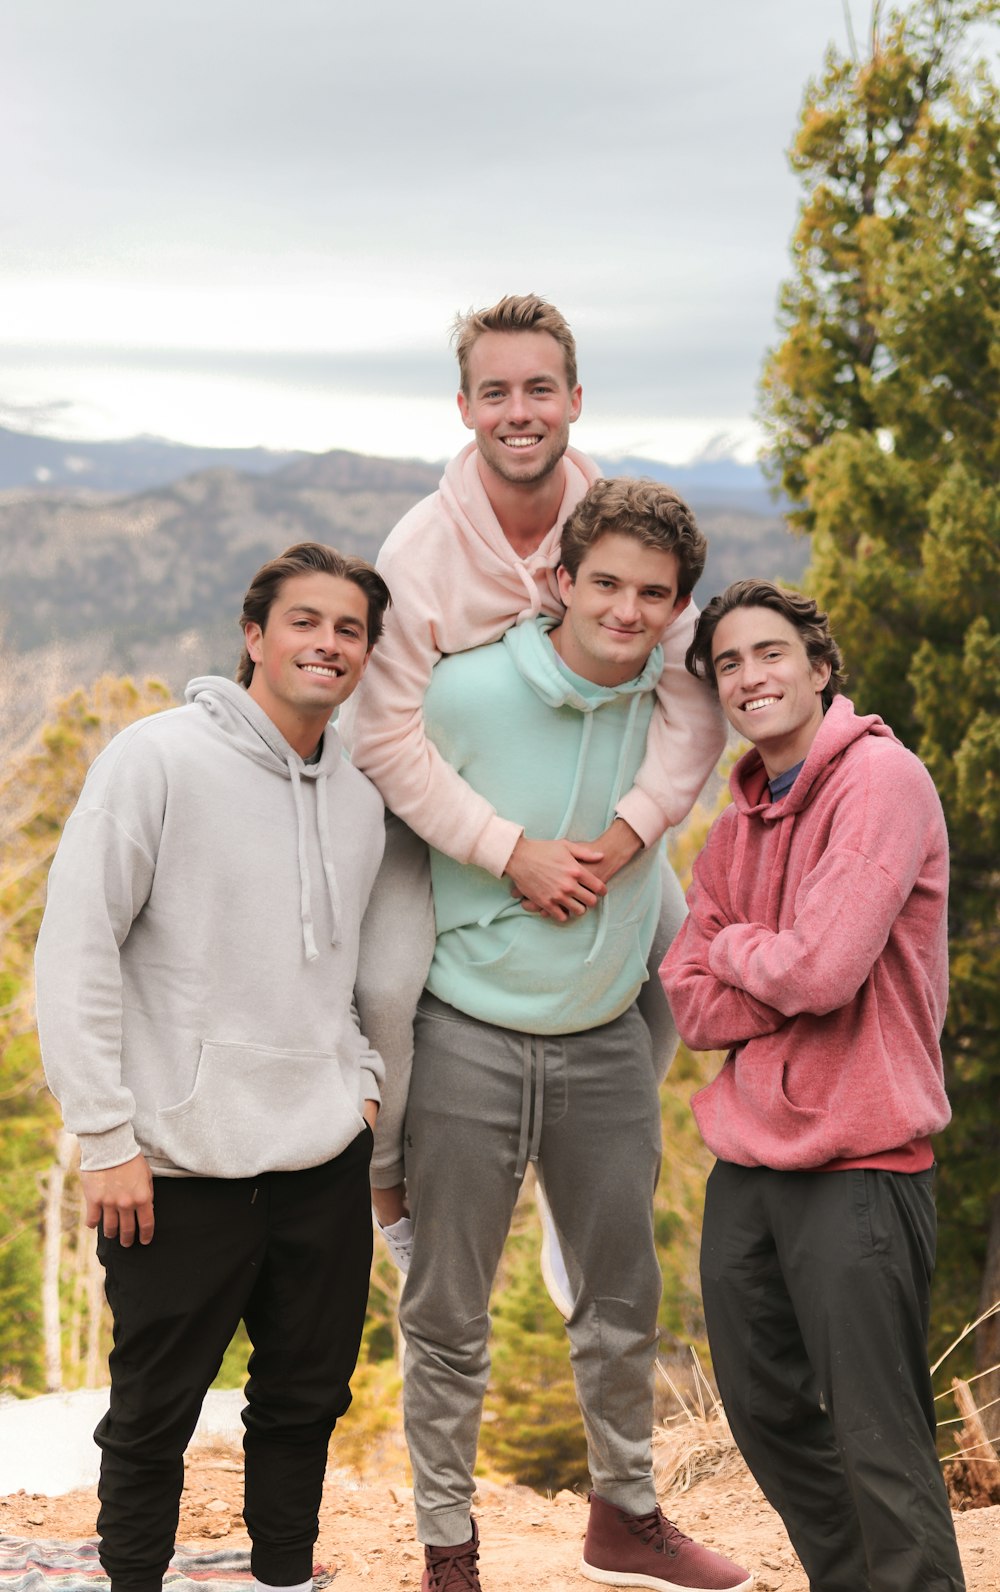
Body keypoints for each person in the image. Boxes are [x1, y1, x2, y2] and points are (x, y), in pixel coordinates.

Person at [398, 479, 753, 1592]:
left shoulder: (672, 703)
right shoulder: (461, 694)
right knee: (448, 1310)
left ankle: (626, 1515)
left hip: (603, 1035)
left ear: (676, 607)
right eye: (603, 582)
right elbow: (386, 800)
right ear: (559, 580)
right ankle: (448, 1548)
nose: (625, 608)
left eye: (652, 594)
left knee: (620, 1298)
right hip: (466, 1031)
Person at [340, 293, 725, 1276]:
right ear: (464, 406)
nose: (521, 410)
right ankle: (387, 1184)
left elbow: (691, 704)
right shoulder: (420, 552)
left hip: (593, 815)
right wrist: (508, 852)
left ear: (575, 399)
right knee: (385, 981)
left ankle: (581, 1178)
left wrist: (634, 829)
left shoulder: (620, 534)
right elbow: (384, 739)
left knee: (681, 964)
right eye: (497, 390)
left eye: (540, 388)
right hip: (428, 805)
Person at [34, 543, 392, 1592]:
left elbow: (349, 971)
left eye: (350, 628)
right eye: (305, 620)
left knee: (306, 1396)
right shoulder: (156, 759)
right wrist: (104, 1136)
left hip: (321, 1150)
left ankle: (284, 1576)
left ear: (366, 653)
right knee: (155, 1408)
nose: (327, 642)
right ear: (253, 636)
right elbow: (78, 947)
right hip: (174, 1163)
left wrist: (359, 1083)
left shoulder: (359, 801)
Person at [660, 579, 965, 1592]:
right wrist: (773, 963)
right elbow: (690, 1004)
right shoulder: (738, 823)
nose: (750, 675)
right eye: (729, 663)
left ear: (818, 665)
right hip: (747, 1163)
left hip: (861, 1159)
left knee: (878, 1433)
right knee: (765, 1409)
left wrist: (742, 950)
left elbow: (824, 969)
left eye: (770, 652)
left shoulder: (879, 781)